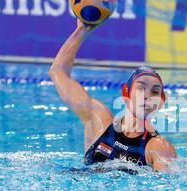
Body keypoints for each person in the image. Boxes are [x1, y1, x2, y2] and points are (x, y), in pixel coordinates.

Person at [48, 19, 176, 172]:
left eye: (155, 92)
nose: (147, 95)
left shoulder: (159, 147)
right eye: (141, 89)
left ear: (160, 102)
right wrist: (83, 30)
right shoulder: (99, 121)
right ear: (126, 94)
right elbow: (58, 72)